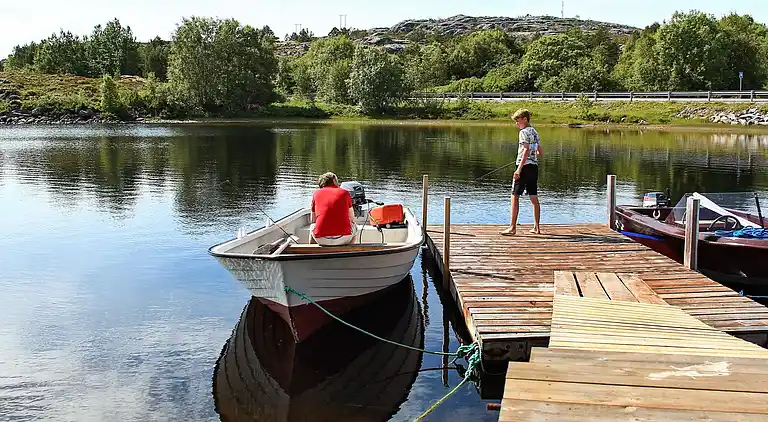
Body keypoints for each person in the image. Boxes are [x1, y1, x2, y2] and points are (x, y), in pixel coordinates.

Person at [501, 109, 543, 236]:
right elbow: (540, 152)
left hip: (523, 167)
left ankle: (512, 228)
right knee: (534, 197)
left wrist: (518, 169)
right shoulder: (535, 131)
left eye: (518, 120)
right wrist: (533, 153)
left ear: (525, 119)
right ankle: (536, 227)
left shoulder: (523, 132)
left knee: (515, 196)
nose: (516, 123)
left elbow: (525, 150)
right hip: (534, 167)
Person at [310, 172, 359, 246]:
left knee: (312, 226)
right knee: (354, 226)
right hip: (343, 238)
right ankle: (348, 251)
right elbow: (351, 219)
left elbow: (313, 220)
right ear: (334, 181)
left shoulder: (316, 193)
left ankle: (311, 251)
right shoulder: (345, 193)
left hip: (321, 239)